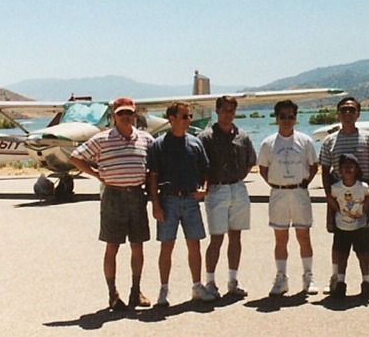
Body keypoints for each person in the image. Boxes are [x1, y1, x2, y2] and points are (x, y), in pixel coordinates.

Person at [70, 96, 154, 311]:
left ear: (135, 114)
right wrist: (96, 174)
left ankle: (136, 292)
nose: (125, 117)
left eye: (129, 113)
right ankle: (113, 294)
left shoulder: (146, 139)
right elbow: (75, 157)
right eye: (121, 113)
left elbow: (156, 165)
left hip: (137, 195)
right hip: (113, 197)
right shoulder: (102, 139)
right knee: (112, 246)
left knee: (138, 245)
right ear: (113, 116)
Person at [146, 101, 214, 307]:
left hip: (191, 200)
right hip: (168, 200)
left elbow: (205, 170)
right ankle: (164, 289)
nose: (188, 120)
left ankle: (197, 286)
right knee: (167, 246)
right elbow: (153, 177)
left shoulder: (195, 143)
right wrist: (155, 203)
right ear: (172, 119)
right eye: (184, 116)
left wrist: (204, 189)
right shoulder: (158, 145)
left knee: (194, 244)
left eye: (189, 116)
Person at [319, 96, 369, 295]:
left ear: (358, 113)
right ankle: (337, 279)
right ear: (338, 114)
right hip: (338, 199)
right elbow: (325, 172)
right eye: (344, 110)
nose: (348, 114)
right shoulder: (330, 140)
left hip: (363, 197)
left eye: (352, 110)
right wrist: (329, 199)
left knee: (366, 241)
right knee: (339, 243)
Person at [259, 99, 320, 296]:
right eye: (282, 116)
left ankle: (308, 276)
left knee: (303, 236)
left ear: (296, 118)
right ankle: (281, 277)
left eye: (290, 116)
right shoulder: (268, 143)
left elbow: (313, 166)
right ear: (276, 118)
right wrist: (277, 184)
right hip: (278, 194)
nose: (287, 120)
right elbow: (263, 168)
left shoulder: (305, 141)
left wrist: (303, 183)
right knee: (280, 238)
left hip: (299, 193)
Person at [198, 95, 256, 299]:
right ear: (217, 111)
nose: (228, 114)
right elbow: (200, 166)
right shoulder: (206, 137)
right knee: (216, 237)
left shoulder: (242, 136)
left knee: (236, 235)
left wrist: (239, 178)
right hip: (217, 190)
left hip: (238, 188)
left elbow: (250, 161)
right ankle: (210, 281)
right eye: (224, 110)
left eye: (232, 110)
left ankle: (233, 280)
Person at [327, 153, 369, 297]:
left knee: (363, 254)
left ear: (357, 169)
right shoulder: (335, 187)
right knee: (341, 255)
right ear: (339, 170)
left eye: (351, 166)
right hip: (342, 226)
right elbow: (332, 204)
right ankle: (340, 281)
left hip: (359, 226)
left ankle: (367, 281)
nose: (348, 169)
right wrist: (330, 220)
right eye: (344, 167)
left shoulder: (363, 187)